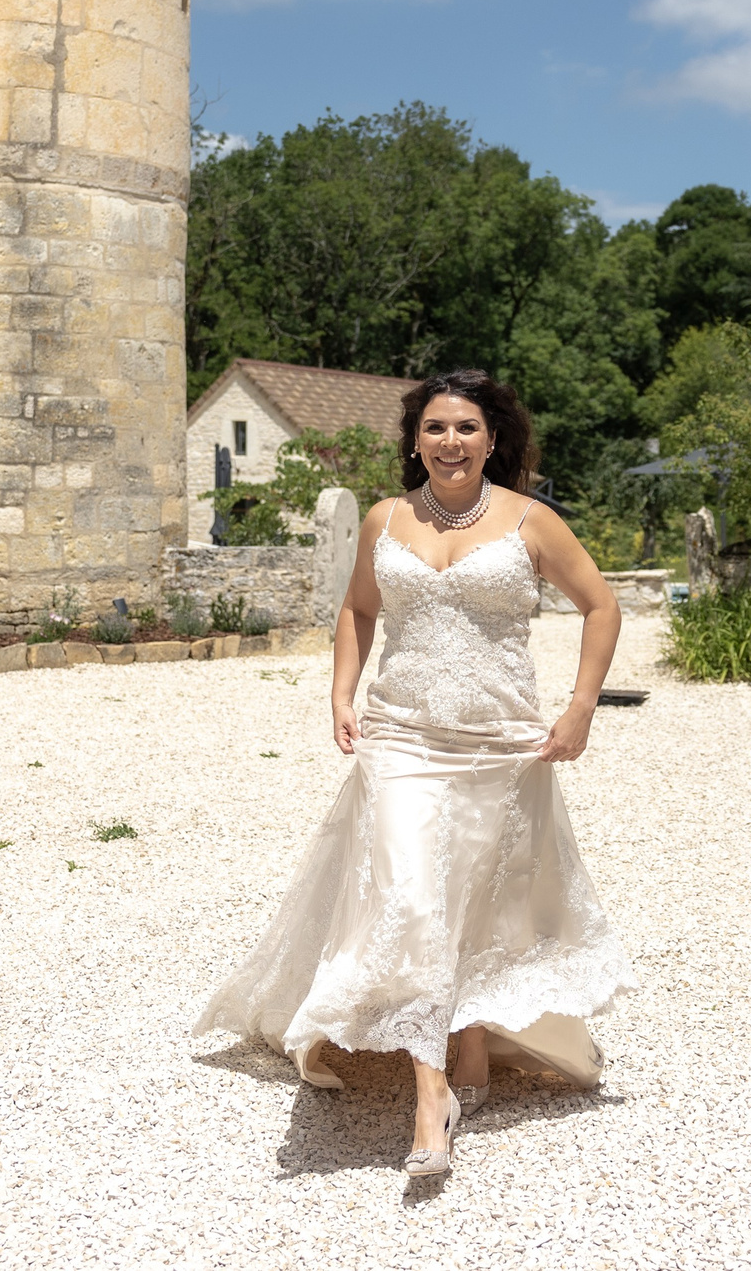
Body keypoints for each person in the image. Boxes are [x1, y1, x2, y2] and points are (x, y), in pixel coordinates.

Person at [194, 369, 637, 1176]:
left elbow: (602, 605)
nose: (451, 441)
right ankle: (430, 1092)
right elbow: (359, 608)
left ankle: (470, 1039)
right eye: (435, 427)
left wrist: (579, 708)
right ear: (415, 439)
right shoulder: (385, 518)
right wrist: (341, 691)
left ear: (492, 438)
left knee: (472, 900)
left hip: (499, 745)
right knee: (408, 897)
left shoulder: (532, 522)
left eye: (466, 427)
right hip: (401, 739)